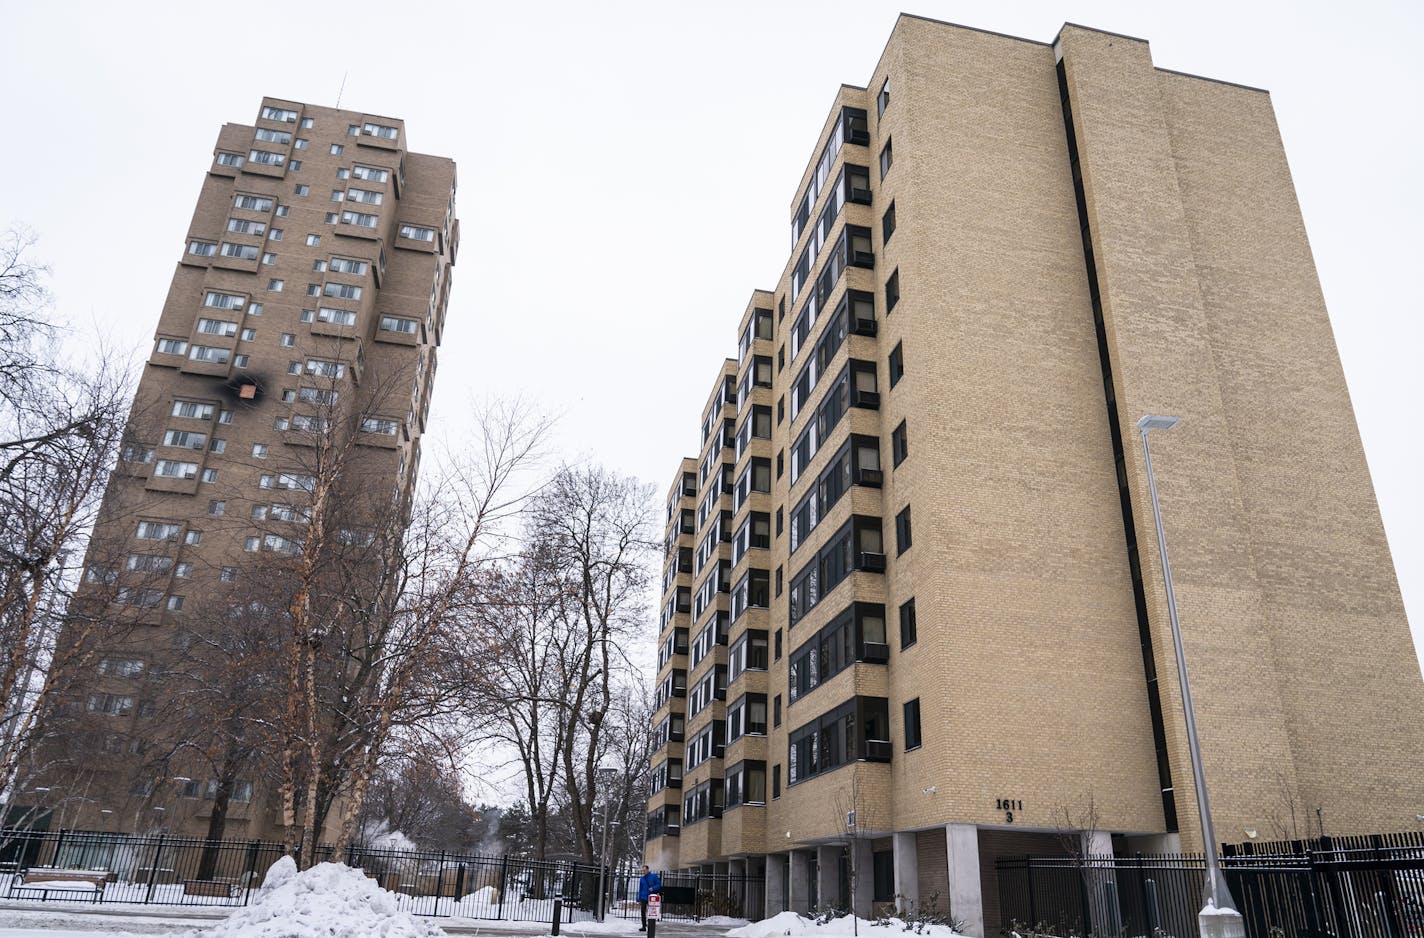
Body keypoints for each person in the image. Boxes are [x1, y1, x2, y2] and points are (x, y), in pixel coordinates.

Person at [637, 865, 662, 931]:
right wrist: (639, 898)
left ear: (648, 870)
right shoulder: (642, 878)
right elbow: (640, 889)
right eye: (642, 870)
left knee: (651, 911)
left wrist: (653, 888)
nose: (643, 872)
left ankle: (651, 925)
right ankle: (644, 926)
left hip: (651, 897)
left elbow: (659, 884)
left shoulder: (653, 876)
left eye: (644, 870)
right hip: (643, 897)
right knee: (643, 911)